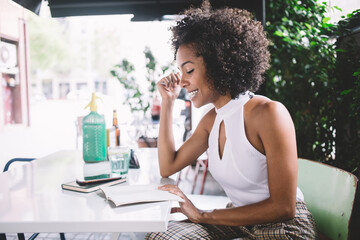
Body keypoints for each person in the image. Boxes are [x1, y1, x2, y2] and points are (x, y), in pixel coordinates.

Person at [146, 1, 319, 239]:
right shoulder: (211, 121)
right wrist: (168, 102)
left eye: (189, 70)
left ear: (218, 64)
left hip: (285, 226)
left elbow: (284, 208)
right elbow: (169, 166)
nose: (182, 82)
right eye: (180, 71)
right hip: (239, 217)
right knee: (162, 235)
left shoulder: (269, 113)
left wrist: (203, 215)